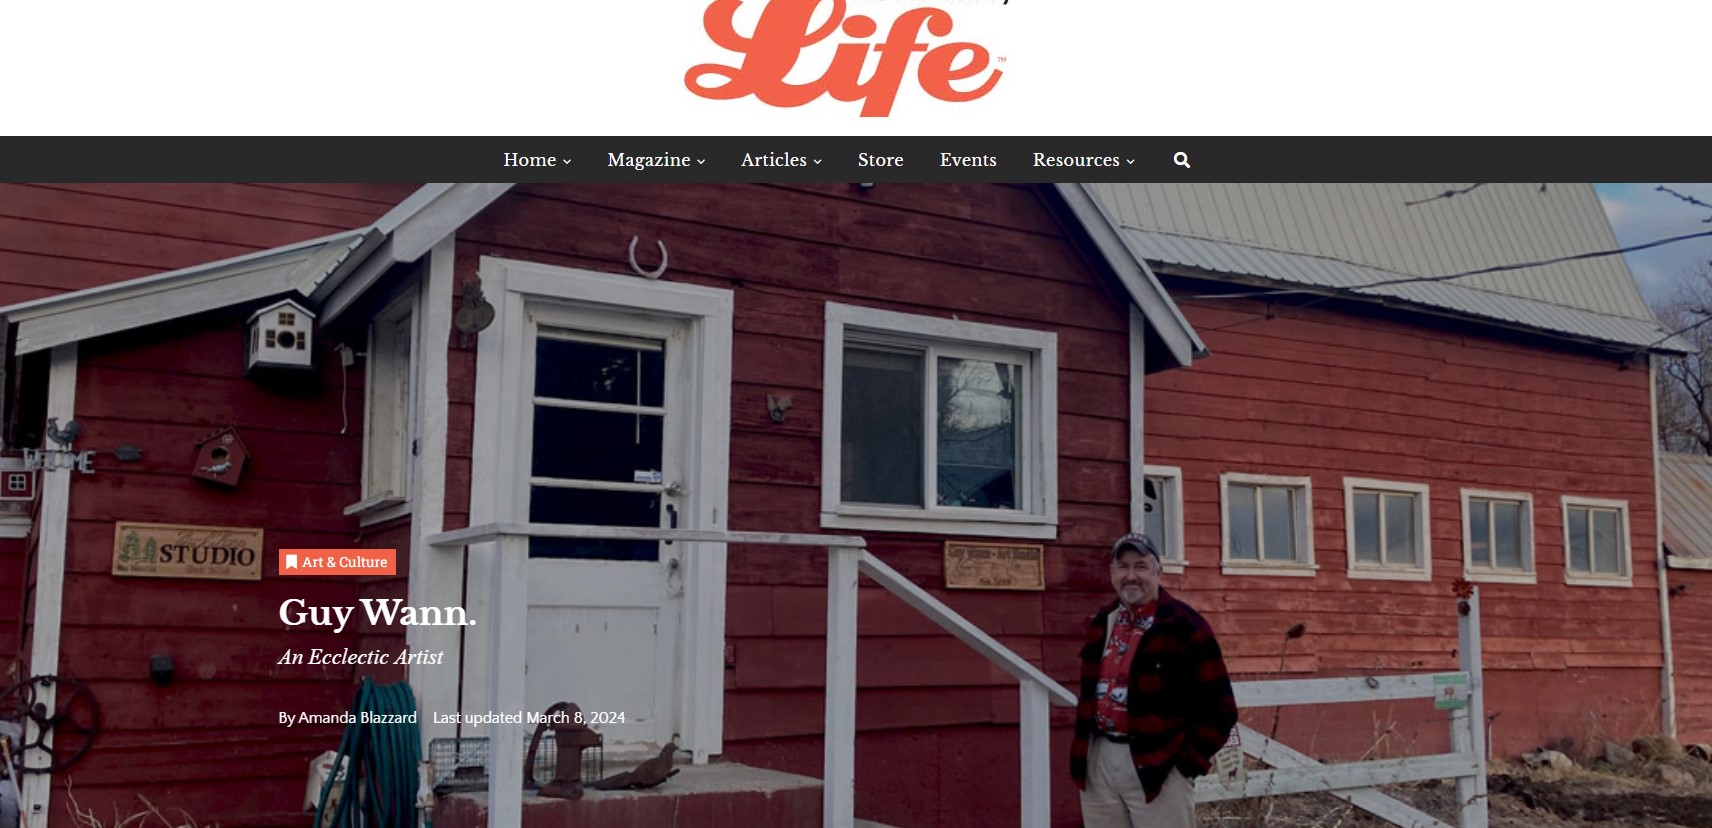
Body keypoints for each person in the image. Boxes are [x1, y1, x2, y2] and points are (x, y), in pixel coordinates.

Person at [1069, 533, 1237, 828]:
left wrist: (1186, 765)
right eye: (1122, 567)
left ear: (1158, 572)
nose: (1130, 576)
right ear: (1112, 573)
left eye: (1141, 566)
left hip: (1159, 762)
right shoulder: (1102, 622)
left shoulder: (1185, 626)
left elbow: (1220, 709)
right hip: (1099, 760)